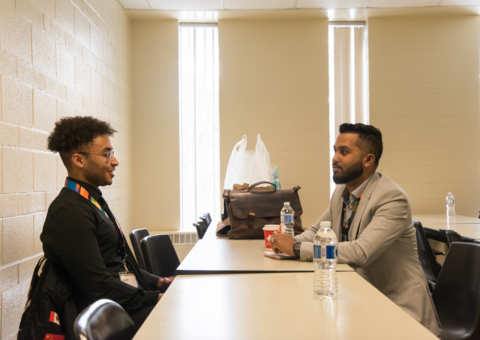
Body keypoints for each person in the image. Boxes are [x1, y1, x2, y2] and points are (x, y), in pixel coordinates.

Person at [270, 123, 440, 335]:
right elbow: (316, 230)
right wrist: (285, 242)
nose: (335, 158)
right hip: (362, 299)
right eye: (335, 151)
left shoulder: (392, 198)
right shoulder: (342, 191)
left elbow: (361, 252)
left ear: (368, 160)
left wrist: (296, 249)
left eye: (344, 152)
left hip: (399, 310)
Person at [41, 116, 172, 330]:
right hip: (110, 321)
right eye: (106, 154)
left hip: (124, 306)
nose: (115, 161)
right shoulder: (70, 212)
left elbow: (117, 265)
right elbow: (99, 287)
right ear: (79, 160)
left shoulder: (90, 200)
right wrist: (154, 298)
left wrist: (159, 282)